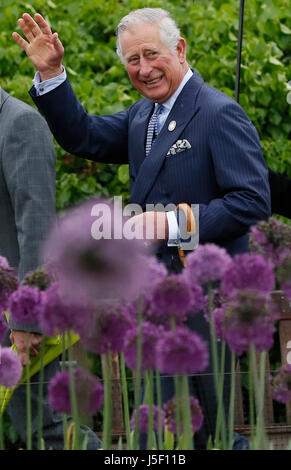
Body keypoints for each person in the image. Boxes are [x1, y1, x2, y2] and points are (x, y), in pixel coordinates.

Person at [12, 8, 271, 448]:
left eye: (152, 54)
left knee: (206, 434)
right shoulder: (142, 116)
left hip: (204, 302)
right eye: (133, 60)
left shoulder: (219, 113)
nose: (144, 69)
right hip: (154, 303)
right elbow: (84, 136)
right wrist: (54, 75)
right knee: (169, 431)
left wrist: (171, 223)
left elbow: (252, 201)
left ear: (180, 49)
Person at [0, 87, 100, 449]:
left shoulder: (20, 123)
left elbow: (37, 230)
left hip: (14, 321)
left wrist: (27, 321)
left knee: (45, 429)